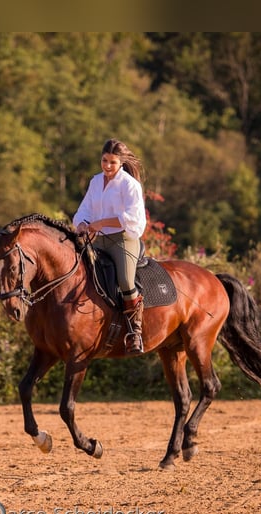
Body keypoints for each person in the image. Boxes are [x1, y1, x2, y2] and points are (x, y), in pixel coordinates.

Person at [73, 138, 147, 354]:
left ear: (121, 163)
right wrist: (82, 224)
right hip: (99, 241)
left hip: (123, 240)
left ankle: (135, 332)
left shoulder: (130, 185)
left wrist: (102, 222)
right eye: (104, 160)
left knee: (124, 279)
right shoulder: (95, 182)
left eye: (112, 162)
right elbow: (85, 208)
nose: (107, 166)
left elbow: (133, 218)